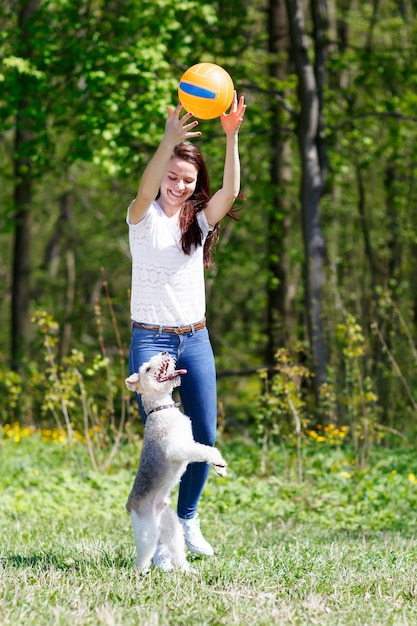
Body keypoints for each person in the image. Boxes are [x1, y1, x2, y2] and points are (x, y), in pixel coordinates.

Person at [127, 92, 246, 570]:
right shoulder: (142, 218)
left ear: (197, 184)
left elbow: (231, 193)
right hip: (152, 341)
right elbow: (145, 187)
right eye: (171, 178)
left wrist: (231, 137)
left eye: (187, 180)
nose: (177, 185)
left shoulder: (197, 221)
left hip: (194, 339)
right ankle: (158, 544)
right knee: (162, 442)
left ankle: (188, 519)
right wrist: (168, 141)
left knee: (206, 430)